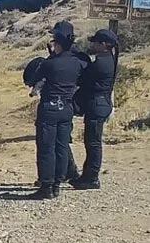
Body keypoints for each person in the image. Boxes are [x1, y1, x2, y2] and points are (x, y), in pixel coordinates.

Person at [25, 22, 87, 200]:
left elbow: (33, 79)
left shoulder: (49, 64)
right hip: (67, 108)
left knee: (46, 147)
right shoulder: (77, 62)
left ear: (56, 42)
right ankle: (58, 184)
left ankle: (46, 185)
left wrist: (51, 57)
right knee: (61, 146)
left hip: (49, 107)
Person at [71, 29, 118, 190]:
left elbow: (84, 79)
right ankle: (88, 176)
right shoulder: (108, 59)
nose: (93, 44)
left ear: (104, 44)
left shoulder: (100, 62)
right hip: (100, 104)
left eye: (96, 42)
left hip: (97, 105)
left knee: (93, 143)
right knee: (92, 142)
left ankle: (91, 177)